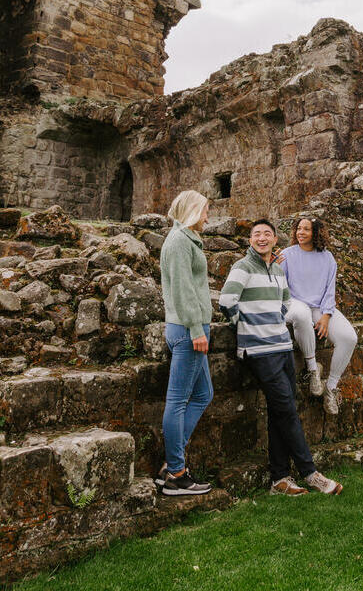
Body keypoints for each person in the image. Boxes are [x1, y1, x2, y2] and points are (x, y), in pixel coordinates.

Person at [219, 219, 343, 496]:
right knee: (286, 408)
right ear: (250, 240)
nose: (261, 238)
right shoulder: (243, 267)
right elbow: (227, 302)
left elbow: (286, 304)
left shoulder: (277, 269)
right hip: (260, 350)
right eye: (256, 234)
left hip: (282, 346)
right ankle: (311, 473)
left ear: (275, 240)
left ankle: (280, 479)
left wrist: (274, 323)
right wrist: (248, 326)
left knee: (282, 409)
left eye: (267, 234)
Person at [157, 190, 213, 496]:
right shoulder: (179, 242)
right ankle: (176, 473)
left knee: (204, 394)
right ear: (191, 210)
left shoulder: (186, 239)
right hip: (187, 328)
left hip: (191, 326)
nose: (208, 216)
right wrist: (196, 328)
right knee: (178, 400)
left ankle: (171, 461)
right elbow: (181, 290)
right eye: (205, 210)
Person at [282, 216, 357, 415]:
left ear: (316, 233)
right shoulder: (287, 255)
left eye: (306, 229)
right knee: (301, 314)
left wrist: (326, 315)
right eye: (298, 228)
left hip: (319, 307)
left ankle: (331, 388)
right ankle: (313, 370)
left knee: (349, 337)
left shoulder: (327, 258)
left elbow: (329, 291)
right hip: (294, 303)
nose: (301, 232)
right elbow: (281, 286)